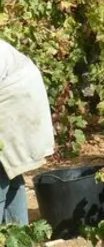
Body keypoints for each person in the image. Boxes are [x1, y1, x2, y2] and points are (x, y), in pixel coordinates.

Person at [0, 39, 55, 225]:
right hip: (20, 86)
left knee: (2, 169)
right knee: (10, 172)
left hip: (13, 97)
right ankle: (18, 237)